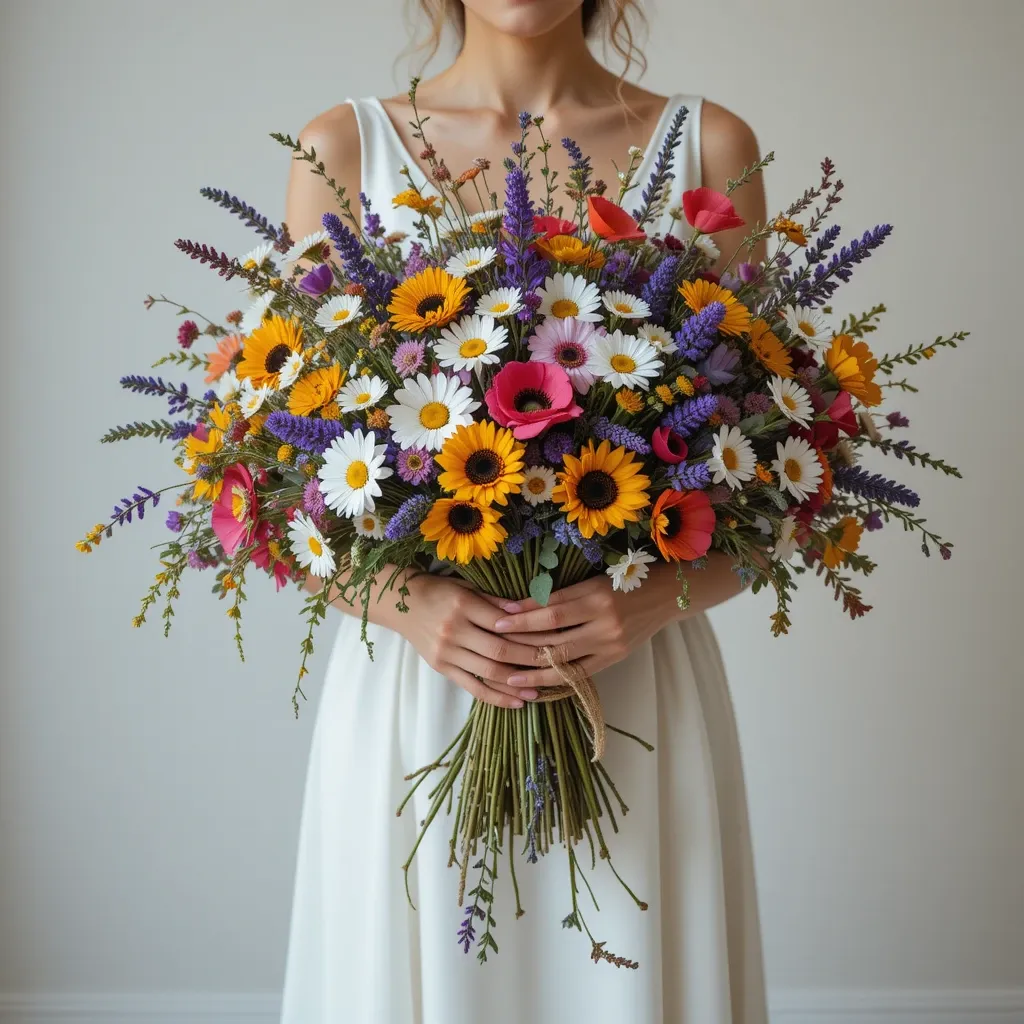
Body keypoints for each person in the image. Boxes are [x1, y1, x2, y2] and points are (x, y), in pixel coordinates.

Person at [280, 1, 769, 1021]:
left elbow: (771, 492)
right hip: (417, 694)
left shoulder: (708, 147)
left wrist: (647, 606)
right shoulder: (342, 151)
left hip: (627, 684)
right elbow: (284, 485)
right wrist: (406, 605)